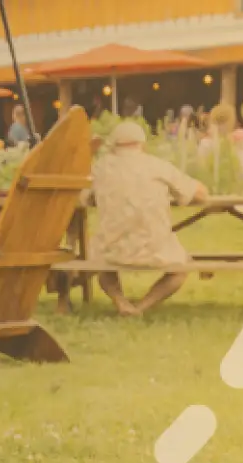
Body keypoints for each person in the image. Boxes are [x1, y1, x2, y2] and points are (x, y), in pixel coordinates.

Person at [89, 120, 208, 316]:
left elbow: (84, 195)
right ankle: (142, 307)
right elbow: (201, 193)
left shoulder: (100, 169)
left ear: (113, 147)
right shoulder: (157, 166)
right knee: (181, 268)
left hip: (112, 248)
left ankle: (121, 301)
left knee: (102, 264)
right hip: (155, 248)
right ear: (142, 144)